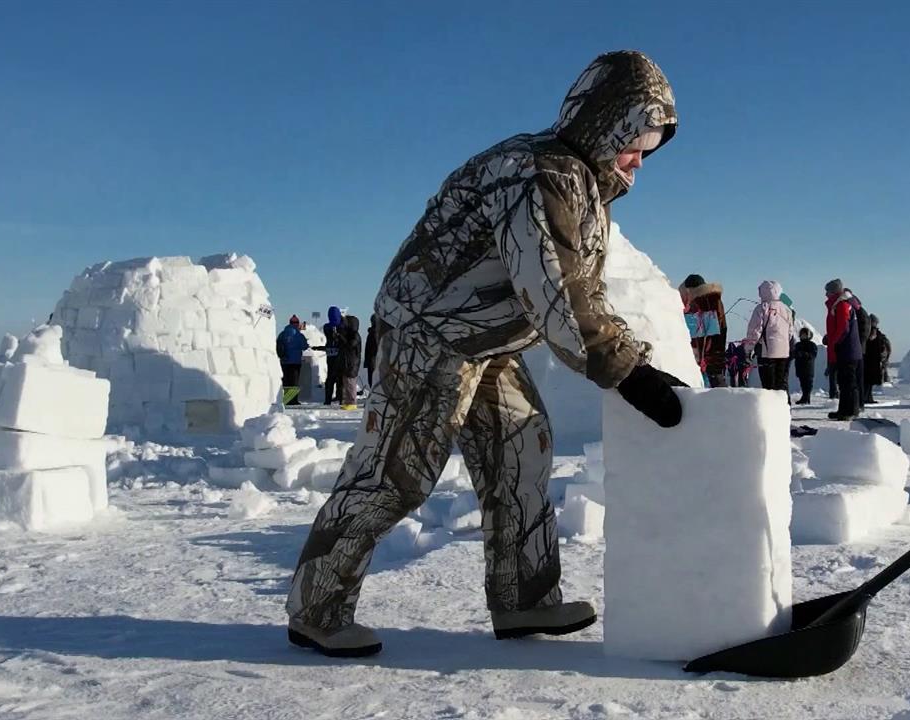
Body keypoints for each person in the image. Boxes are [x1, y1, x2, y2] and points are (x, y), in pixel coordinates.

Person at [286, 50, 683, 658]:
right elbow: (558, 292)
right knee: (399, 467)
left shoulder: (579, 183)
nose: (639, 159)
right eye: (635, 139)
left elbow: (582, 285)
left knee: (521, 444)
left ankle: (524, 598)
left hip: (483, 338)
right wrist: (629, 371)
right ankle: (316, 607)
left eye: (649, 148)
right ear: (604, 121)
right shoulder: (539, 172)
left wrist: (635, 356)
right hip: (430, 329)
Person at [744, 280, 794, 398]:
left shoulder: (762, 308)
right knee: (781, 385)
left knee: (768, 387)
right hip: (783, 352)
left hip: (767, 352)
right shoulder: (786, 309)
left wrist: (748, 349)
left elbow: (755, 331)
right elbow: (790, 331)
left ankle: (771, 411)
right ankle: (784, 410)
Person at [824, 278, 862, 420]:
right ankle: (845, 409)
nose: (826, 295)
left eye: (827, 291)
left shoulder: (841, 305)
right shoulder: (840, 304)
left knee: (847, 382)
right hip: (848, 349)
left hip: (846, 350)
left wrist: (835, 342)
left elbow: (843, 327)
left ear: (833, 291)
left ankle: (850, 411)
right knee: (845, 381)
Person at [679, 274, 726, 388]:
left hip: (704, 359)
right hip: (715, 356)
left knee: (707, 393)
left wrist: (704, 358)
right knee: (718, 391)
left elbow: (700, 333)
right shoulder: (714, 301)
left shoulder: (701, 303)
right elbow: (718, 330)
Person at [843, 288, 872, 407]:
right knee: (857, 380)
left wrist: (856, 344)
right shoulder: (859, 312)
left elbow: (863, 332)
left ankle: (858, 404)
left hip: (857, 350)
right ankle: (859, 403)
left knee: (856, 380)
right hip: (858, 350)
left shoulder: (859, 312)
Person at [276, 315, 309, 405]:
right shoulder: (299, 335)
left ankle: (285, 399)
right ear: (297, 324)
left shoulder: (282, 334)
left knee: (285, 381)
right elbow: (304, 346)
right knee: (294, 382)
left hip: (284, 361)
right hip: (295, 362)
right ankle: (293, 400)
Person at [863, 313, 891, 404]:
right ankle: (867, 397)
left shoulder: (867, 332)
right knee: (869, 382)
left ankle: (867, 397)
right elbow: (886, 349)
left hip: (868, 360)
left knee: (867, 381)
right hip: (873, 361)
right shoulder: (877, 334)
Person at [320, 306, 344, 405]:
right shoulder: (341, 327)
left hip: (330, 354)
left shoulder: (326, 327)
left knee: (330, 377)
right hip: (340, 354)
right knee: (340, 377)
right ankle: (340, 397)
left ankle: (327, 399)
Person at [339, 315, 363, 411]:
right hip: (349, 362)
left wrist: (342, 338)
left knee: (350, 383)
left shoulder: (355, 336)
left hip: (352, 362)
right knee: (347, 382)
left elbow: (350, 345)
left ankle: (352, 402)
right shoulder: (350, 335)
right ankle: (348, 401)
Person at [793, 327, 819, 404]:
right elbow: (794, 353)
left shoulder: (812, 345)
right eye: (802, 335)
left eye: (805, 335)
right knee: (803, 384)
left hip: (808, 368)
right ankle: (805, 397)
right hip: (800, 368)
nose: (803, 336)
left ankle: (806, 398)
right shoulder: (798, 345)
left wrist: (804, 354)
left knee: (808, 384)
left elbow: (813, 354)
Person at [364, 314, 379, 389]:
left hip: (372, 360)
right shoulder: (377, 333)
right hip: (375, 360)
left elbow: (370, 348)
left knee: (372, 380)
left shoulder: (373, 333)